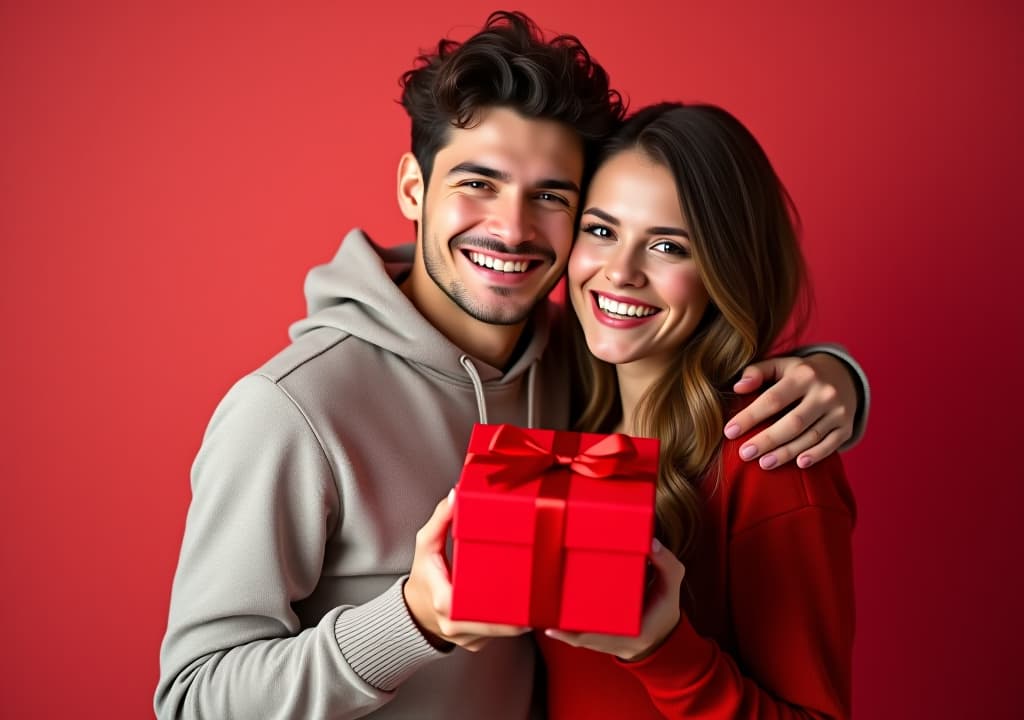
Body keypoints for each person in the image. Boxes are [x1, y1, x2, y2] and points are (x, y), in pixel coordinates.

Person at [155, 12, 867, 720]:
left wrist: (833, 380)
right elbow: (191, 702)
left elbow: (683, 360)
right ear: (412, 188)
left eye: (552, 197)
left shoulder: (575, 366)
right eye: (478, 183)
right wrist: (409, 621)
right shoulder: (290, 410)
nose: (514, 228)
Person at [536, 102, 856, 718]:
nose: (620, 272)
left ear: (724, 270)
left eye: (667, 246)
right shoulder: (558, 409)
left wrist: (660, 649)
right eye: (601, 231)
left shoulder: (770, 459)